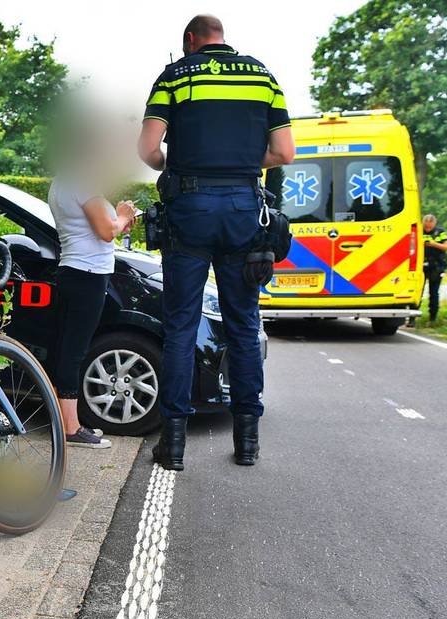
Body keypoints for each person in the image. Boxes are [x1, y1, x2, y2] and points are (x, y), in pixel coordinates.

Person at [136, 14, 295, 469]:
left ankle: (174, 445)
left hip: (189, 210)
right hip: (246, 210)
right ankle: (247, 443)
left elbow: (148, 151)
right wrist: (244, 163)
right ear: (221, 38)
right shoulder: (263, 76)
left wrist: (180, 161)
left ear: (190, 40)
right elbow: (284, 152)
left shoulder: (175, 75)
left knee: (181, 326)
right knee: (244, 325)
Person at [47, 163, 137, 450]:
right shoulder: (83, 181)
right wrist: (122, 215)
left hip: (73, 271)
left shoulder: (62, 181)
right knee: (73, 352)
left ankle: (65, 423)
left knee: (67, 349)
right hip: (88, 275)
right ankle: (70, 429)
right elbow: (107, 230)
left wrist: (120, 221)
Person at [422, 214, 447, 323]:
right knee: (418, 293)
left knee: (433, 292)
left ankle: (432, 318)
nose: (428, 228)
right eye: (426, 226)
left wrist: (434, 244)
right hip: (421, 265)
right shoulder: (419, 230)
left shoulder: (440, 232)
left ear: (434, 224)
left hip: (436, 266)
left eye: (430, 226)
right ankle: (412, 318)